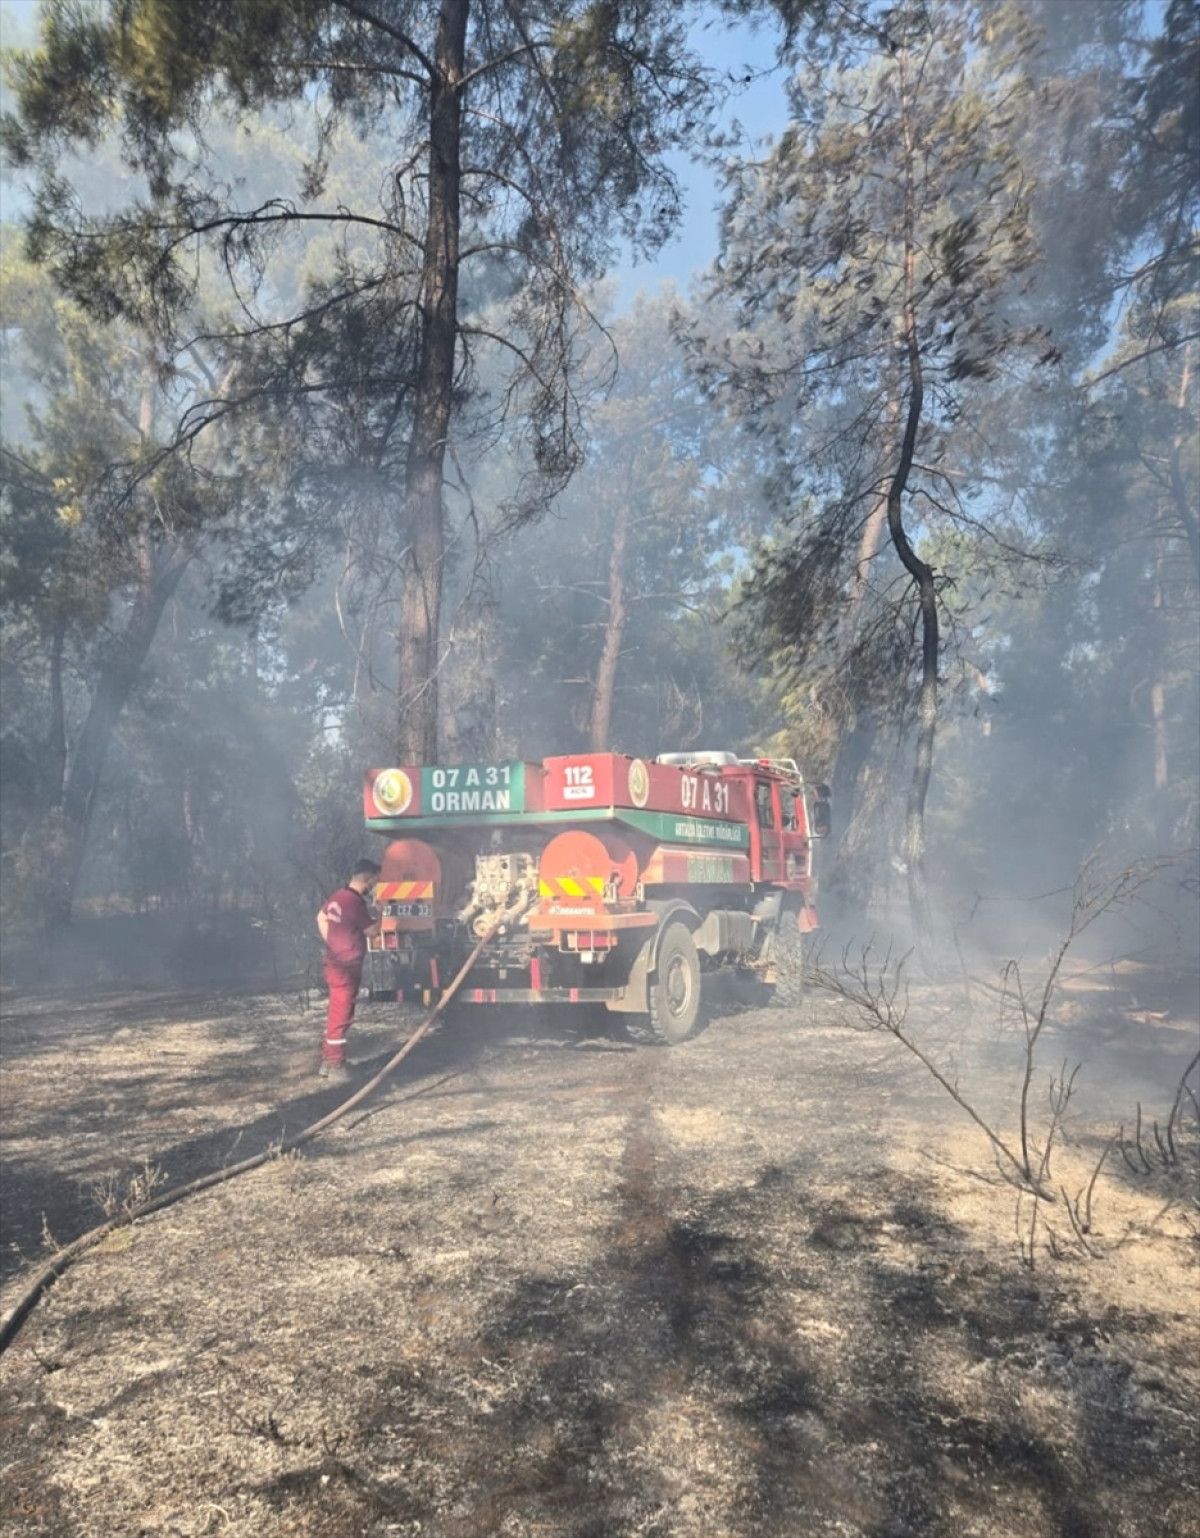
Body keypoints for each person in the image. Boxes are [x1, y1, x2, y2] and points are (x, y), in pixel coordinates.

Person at [316, 859, 381, 1082]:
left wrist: (333, 942)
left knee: (337, 1011)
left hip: (335, 963)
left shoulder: (338, 896)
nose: (374, 885)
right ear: (367, 878)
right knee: (342, 1014)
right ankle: (336, 1065)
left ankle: (328, 1061)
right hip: (346, 968)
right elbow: (372, 932)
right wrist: (381, 913)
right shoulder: (354, 903)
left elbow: (320, 917)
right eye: (375, 880)